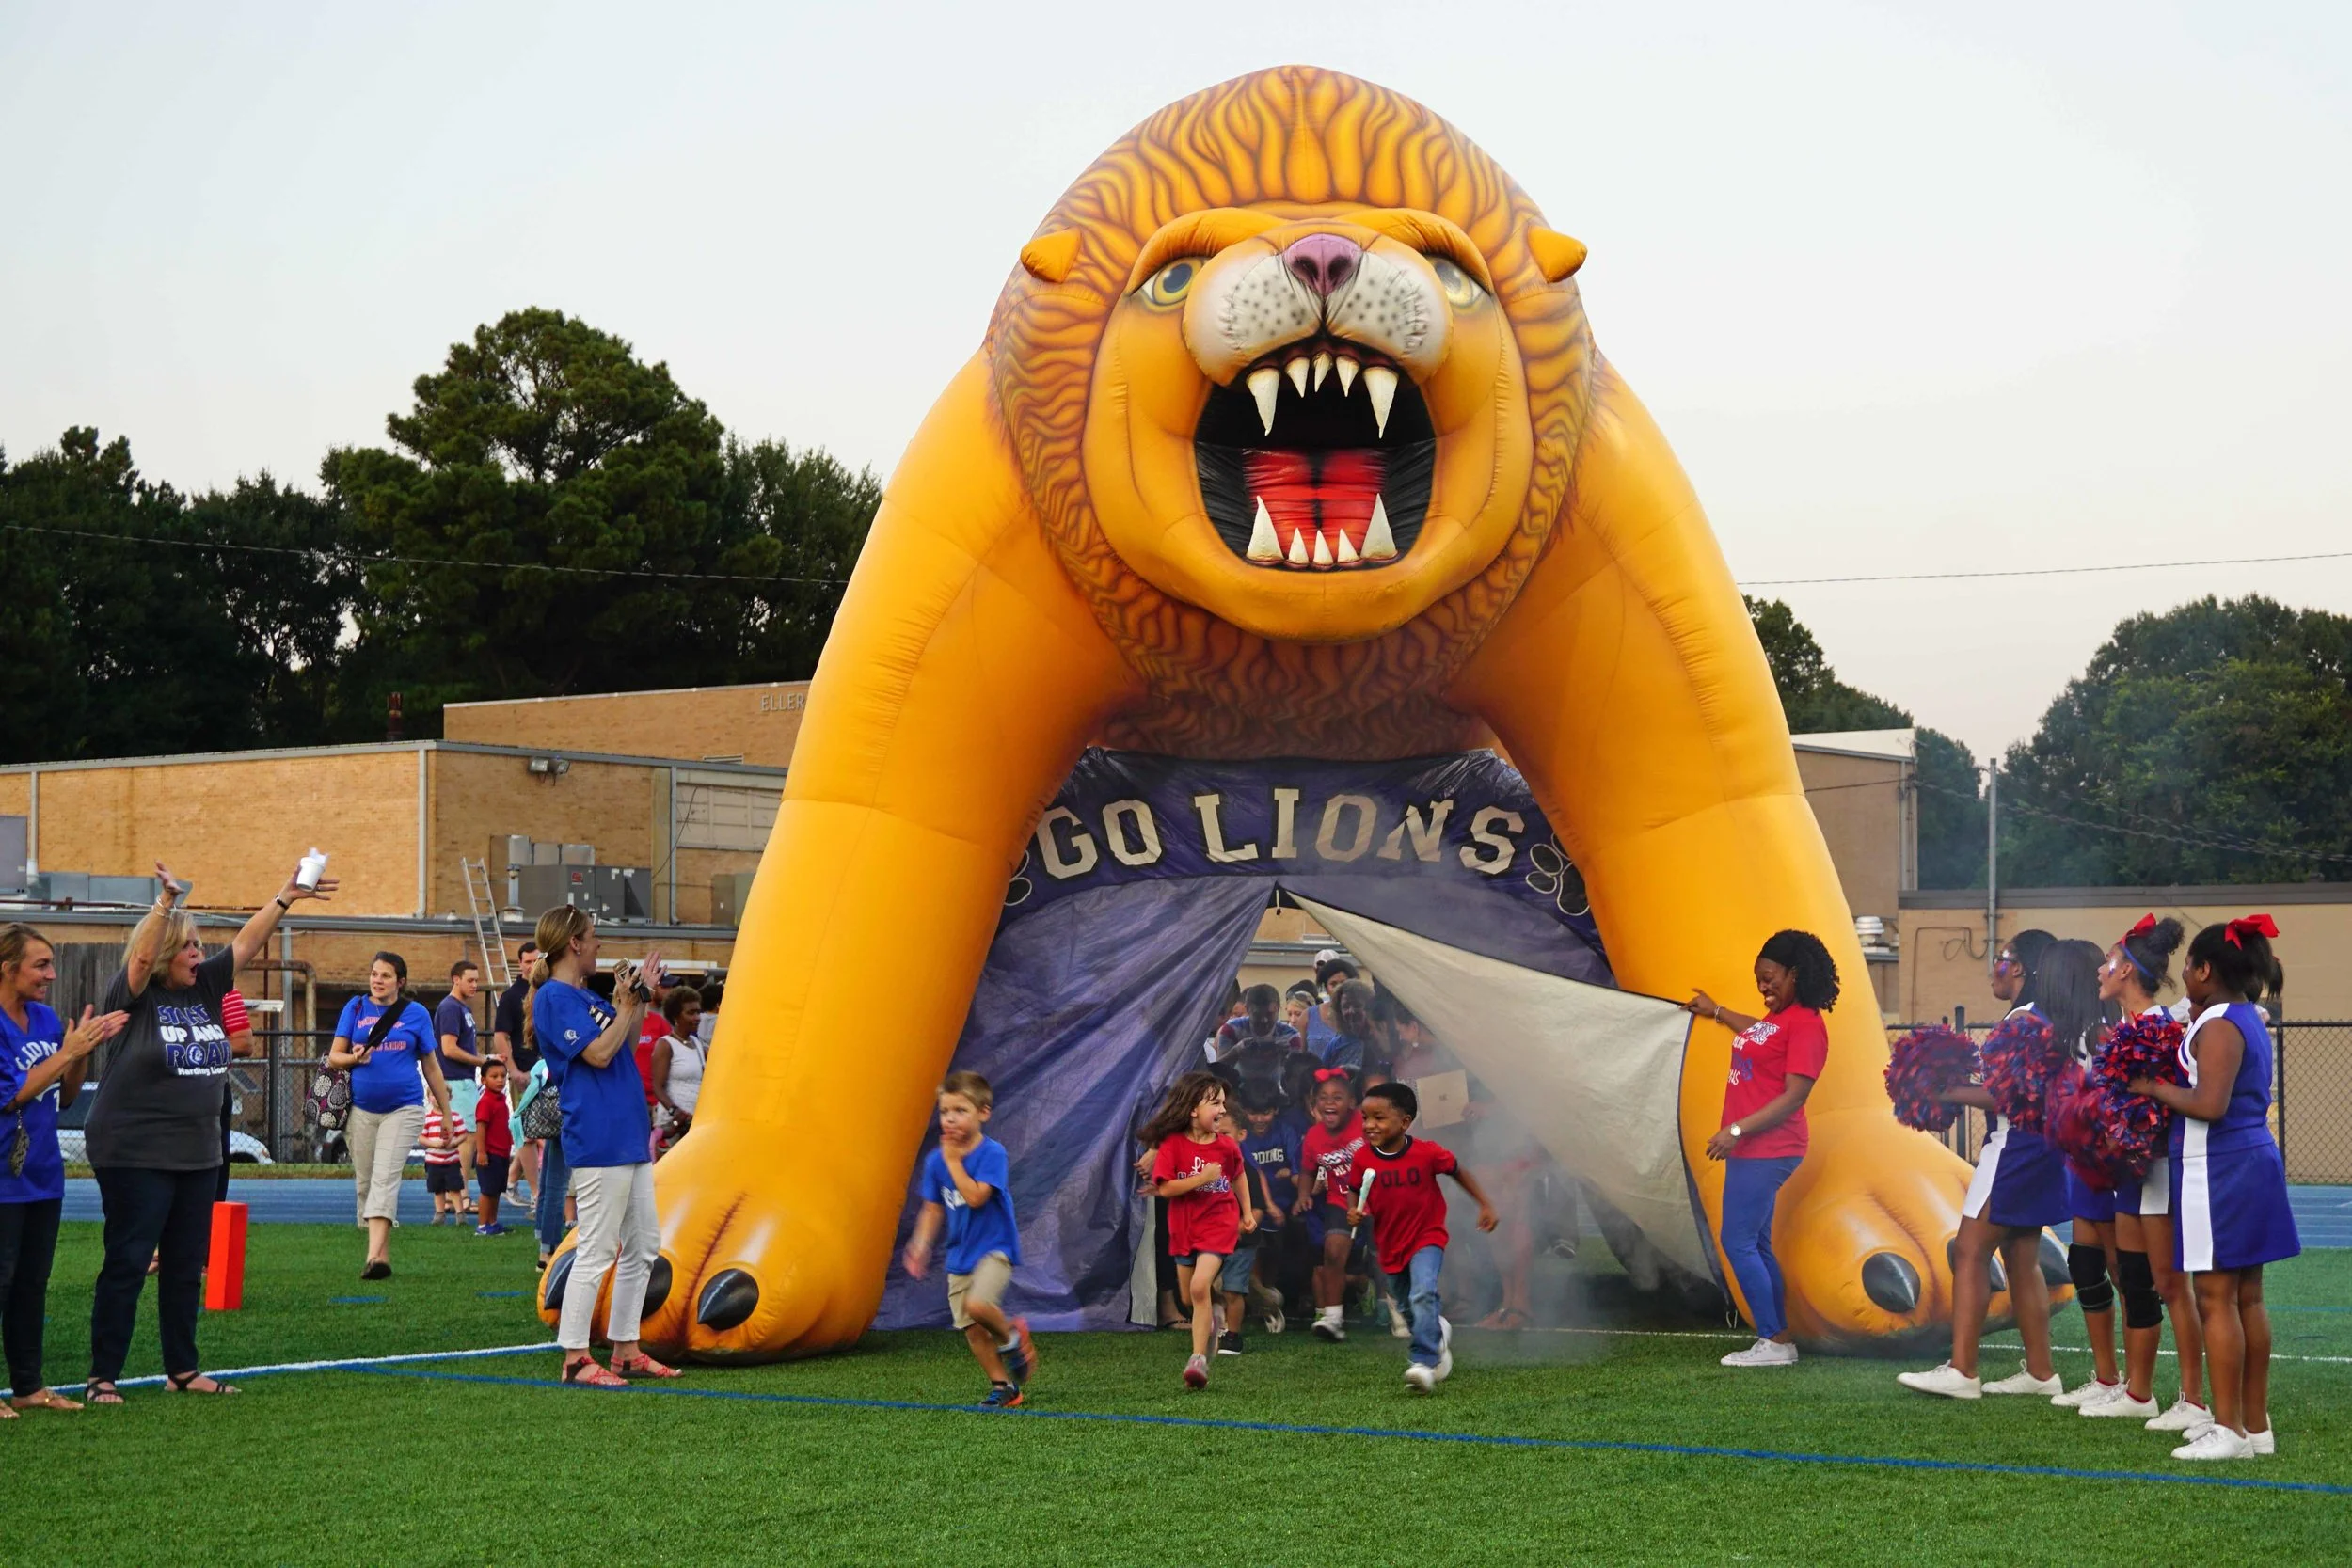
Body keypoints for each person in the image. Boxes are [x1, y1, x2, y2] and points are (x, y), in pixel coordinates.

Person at [84, 858, 333, 1403]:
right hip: (134, 1151)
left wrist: (285, 898)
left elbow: (245, 944)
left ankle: (182, 1369)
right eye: (189, 947)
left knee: (185, 1264)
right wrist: (165, 903)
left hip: (198, 1153)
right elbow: (141, 956)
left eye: (199, 946)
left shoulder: (205, 990)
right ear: (165, 954)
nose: (199, 954)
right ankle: (103, 1376)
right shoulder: (135, 995)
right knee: (129, 1260)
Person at [2126, 916, 2300, 1461]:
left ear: (2205, 970)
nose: (2183, 975)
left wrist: (2151, 1086)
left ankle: (2228, 1429)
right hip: (2245, 1160)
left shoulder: (2221, 1022)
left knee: (2216, 1296)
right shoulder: (2244, 1015)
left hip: (2219, 1167)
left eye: (2188, 966)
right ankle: (2253, 1426)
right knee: (2246, 1297)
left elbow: (2209, 1105)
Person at [1898, 929, 2070, 1401]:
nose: (1995, 966)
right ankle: (2041, 1373)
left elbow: (2007, 1096)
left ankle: (1962, 1370)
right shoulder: (2043, 1018)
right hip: (2041, 1146)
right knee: (2020, 1257)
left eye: (2002, 957)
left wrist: (1944, 1092)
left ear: (2019, 968)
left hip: (2013, 1147)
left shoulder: (2022, 1020)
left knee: (1971, 1251)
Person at [528, 907, 676, 1386]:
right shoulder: (553, 997)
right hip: (598, 1133)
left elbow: (623, 1046)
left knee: (643, 1244)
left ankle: (626, 1349)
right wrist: (627, 1003)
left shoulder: (585, 996)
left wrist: (638, 998)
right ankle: (575, 1357)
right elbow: (596, 1053)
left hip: (625, 1132)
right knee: (597, 1247)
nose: (598, 946)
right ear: (573, 943)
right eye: (592, 937)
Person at [1686, 928, 1838, 1369]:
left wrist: (1735, 1131)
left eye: (1769, 978)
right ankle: (1779, 1337)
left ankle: (1773, 1341)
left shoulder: (1807, 1024)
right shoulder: (1781, 1019)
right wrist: (1717, 1011)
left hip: (1769, 1148)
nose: (1763, 987)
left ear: (1795, 974)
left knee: (1737, 1241)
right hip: (1756, 1147)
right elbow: (1760, 1035)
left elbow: (1794, 1096)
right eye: (1758, 980)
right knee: (1755, 1241)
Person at [0, 926, 127, 1416]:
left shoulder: (46, 1019)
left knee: (31, 1285)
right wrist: (67, 1053)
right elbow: (12, 1095)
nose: (51, 975)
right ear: (8, 969)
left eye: (52, 964)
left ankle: (28, 1386)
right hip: (3, 1179)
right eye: (40, 965)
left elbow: (66, 1095)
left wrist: (81, 1054)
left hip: (42, 1175)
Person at [2093, 915, 2203, 1429]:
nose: (2101, 970)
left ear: (2127, 971)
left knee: (2171, 1285)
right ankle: (2139, 1393)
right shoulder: (2123, 1030)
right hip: (2129, 1176)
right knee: (2134, 1280)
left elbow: (2165, 1109)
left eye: (2109, 962)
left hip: (2157, 1171)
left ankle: (2194, 1399)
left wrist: (2133, 1132)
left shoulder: (2160, 1030)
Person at [1344, 1080, 1499, 1392]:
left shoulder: (1427, 1153)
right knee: (1406, 1306)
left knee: (1423, 1293)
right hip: (1390, 1242)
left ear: (1405, 1122)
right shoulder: (1362, 1158)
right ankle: (1436, 1332)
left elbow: (1458, 1170)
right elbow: (1355, 1190)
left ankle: (1423, 1361)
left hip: (1427, 1236)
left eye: (1379, 1117)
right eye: (1365, 1118)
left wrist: (1484, 1204)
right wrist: (1354, 1211)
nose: (1369, 1125)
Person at [900, 1071, 1034, 1408]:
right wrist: (920, 1243)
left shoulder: (992, 1153)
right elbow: (933, 1208)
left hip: (995, 1249)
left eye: (960, 1110)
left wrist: (954, 1162)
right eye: (944, 1111)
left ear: (983, 1113)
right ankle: (1004, 1387)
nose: (950, 1119)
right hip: (960, 1255)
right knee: (972, 1329)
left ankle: (1011, 1337)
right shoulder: (936, 1161)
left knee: (978, 1305)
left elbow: (975, 1197)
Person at [326, 952, 452, 1279]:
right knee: (366, 1182)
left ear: (401, 981)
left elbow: (431, 1065)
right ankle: (381, 1253)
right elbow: (335, 1056)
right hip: (360, 1110)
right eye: (374, 974)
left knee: (385, 1177)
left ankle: (373, 1258)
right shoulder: (355, 1008)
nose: (377, 980)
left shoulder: (416, 1013)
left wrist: (446, 1112)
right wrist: (354, 1058)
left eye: (385, 975)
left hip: (404, 1108)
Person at [1141, 1072, 1252, 1390]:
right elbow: (1166, 1189)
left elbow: (1239, 1176)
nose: (1222, 1110)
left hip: (1219, 1224)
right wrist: (1202, 1178)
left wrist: (1246, 1212)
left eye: (1223, 1103)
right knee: (1189, 1296)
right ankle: (1212, 1315)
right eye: (1215, 1103)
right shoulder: (1173, 1145)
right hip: (1184, 1229)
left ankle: (1198, 1359)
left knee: (1200, 1285)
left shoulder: (1227, 1146)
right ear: (1192, 1109)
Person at [1295, 1069, 1368, 1342]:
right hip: (1341, 1200)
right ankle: (1333, 1318)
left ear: (1351, 1102)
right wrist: (1304, 1194)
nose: (1329, 1102)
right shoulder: (1313, 1137)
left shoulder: (1365, 1122)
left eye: (1337, 1097)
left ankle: (1397, 1310)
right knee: (1333, 1253)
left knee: (1386, 1257)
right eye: (1323, 1097)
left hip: (1378, 1199)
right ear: (1314, 1104)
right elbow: (1307, 1169)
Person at [1212, 1101, 1279, 1357]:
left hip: (1241, 1243)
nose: (1218, 1140)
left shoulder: (1246, 1172)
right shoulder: (1205, 1169)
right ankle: (1263, 1303)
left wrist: (1241, 1226)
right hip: (1212, 1242)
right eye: (1212, 1134)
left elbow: (1258, 1209)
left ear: (1241, 1135)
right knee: (1215, 1286)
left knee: (1232, 1288)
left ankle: (1233, 1335)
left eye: (1225, 1134)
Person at [1235, 1087, 1301, 1331]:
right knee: (1255, 1252)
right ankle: (1262, 1303)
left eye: (1265, 1113)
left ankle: (1270, 1293)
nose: (1259, 1119)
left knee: (1276, 1251)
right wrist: (1268, 1205)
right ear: (1244, 1112)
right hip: (1254, 1206)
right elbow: (1256, 1173)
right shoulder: (1242, 1137)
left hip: (1285, 1204)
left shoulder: (1285, 1131)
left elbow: (1298, 1165)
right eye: (1253, 1113)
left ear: (1275, 1110)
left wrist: (1292, 1176)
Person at [437, 961, 488, 1206]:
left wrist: (487, 1060)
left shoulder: (462, 1008)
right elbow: (449, 1049)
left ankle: (453, 1196)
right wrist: (481, 1061)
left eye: (477, 980)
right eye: (470, 980)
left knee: (465, 1137)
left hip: (462, 1080)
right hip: (456, 1081)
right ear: (455, 979)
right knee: (466, 1137)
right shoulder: (450, 1007)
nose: (475, 985)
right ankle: (460, 1195)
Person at [493, 942, 539, 1208]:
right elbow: (500, 1036)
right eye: (528, 962)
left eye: (536, 961)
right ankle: (536, 1195)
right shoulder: (511, 997)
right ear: (520, 964)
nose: (532, 966)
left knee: (546, 1133)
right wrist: (513, 1071)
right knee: (528, 1133)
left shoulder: (550, 990)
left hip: (551, 1070)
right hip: (524, 1072)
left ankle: (511, 1182)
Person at [647, 987, 706, 1158]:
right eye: (691, 1013)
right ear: (675, 1017)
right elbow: (657, 1087)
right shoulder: (665, 1045)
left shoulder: (696, 1043)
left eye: (698, 1012)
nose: (697, 1018)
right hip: (673, 1125)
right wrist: (675, 1111)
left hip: (694, 1124)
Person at [473, 1058, 515, 1236]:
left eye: (503, 1076)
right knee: (487, 1191)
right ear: (483, 1080)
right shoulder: (486, 1102)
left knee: (497, 1190)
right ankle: (482, 1225)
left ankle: (493, 1222)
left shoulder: (501, 1100)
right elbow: (481, 1128)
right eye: (494, 1076)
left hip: (502, 1153)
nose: (500, 1080)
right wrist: (481, 1152)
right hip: (490, 1154)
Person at [421, 1101, 466, 1223]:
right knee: (438, 1189)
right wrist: (434, 1144)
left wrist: (453, 1143)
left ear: (449, 1097)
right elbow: (421, 1137)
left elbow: (463, 1135)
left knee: (455, 1188)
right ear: (429, 1097)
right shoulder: (427, 1118)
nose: (437, 1099)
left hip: (451, 1160)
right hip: (433, 1161)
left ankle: (460, 1214)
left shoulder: (455, 1116)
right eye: (433, 1095)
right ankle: (440, 1213)